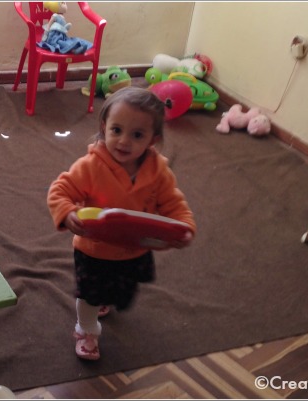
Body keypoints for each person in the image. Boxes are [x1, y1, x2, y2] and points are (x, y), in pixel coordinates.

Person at [47, 87, 197, 360]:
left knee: (122, 295)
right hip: (94, 249)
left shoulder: (159, 171)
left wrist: (183, 227)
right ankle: (86, 330)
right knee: (90, 296)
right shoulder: (90, 166)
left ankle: (105, 300)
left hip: (134, 250)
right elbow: (60, 191)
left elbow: (174, 203)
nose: (124, 141)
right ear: (104, 128)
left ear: (154, 139)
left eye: (137, 134)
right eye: (116, 130)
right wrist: (67, 212)